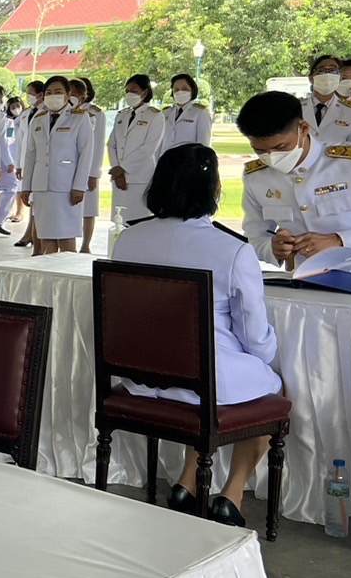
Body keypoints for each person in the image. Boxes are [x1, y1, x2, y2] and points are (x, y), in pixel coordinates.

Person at [111, 145, 283, 527]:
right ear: (214, 190)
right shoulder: (232, 250)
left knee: (210, 391)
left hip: (143, 375)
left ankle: (187, 482)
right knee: (269, 391)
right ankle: (231, 494)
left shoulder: (130, 240)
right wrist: (266, 357)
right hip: (205, 377)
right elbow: (256, 337)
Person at [238, 90, 351, 285]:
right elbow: (255, 236)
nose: (271, 156)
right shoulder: (257, 177)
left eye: (281, 147)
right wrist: (273, 248)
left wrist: (339, 240)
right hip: (312, 283)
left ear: (303, 129)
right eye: (259, 150)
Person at [20, 76, 94, 256]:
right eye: (49, 93)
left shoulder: (79, 118)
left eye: (58, 92)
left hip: (66, 187)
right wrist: (26, 187)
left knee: (67, 239)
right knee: (46, 238)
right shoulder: (38, 119)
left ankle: (67, 280)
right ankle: (49, 281)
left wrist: (79, 186)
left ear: (68, 95)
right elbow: (30, 155)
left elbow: (86, 154)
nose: (53, 96)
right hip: (42, 187)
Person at [106, 73, 165, 231]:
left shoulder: (155, 116)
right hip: (119, 178)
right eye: (127, 91)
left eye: (133, 90)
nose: (129, 94)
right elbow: (112, 144)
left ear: (144, 92)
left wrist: (124, 168)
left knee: (140, 222)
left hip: (140, 177)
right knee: (120, 222)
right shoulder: (122, 115)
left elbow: (148, 148)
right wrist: (117, 170)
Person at [69, 77, 107, 254]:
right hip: (68, 167)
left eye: (74, 93)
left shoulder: (95, 113)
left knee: (89, 208)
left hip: (88, 167)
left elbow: (98, 145)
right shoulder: (65, 112)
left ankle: (86, 244)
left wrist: (94, 173)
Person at [300, 55, 351, 146]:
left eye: (333, 71)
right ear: (311, 78)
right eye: (321, 70)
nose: (327, 75)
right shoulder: (295, 107)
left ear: (339, 78)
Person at [12, 80, 45, 249]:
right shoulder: (26, 113)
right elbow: (20, 141)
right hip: (26, 160)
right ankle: (30, 233)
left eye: (31, 93)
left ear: (41, 94)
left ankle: (33, 234)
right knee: (31, 200)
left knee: (36, 201)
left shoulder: (47, 112)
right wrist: (19, 164)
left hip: (40, 162)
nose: (29, 96)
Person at [0, 94, 24, 234]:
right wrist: (9, 162)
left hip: (5, 159)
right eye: (12, 107)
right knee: (8, 188)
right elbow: (4, 142)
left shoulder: (6, 119)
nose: (15, 109)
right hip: (2, 160)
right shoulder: (3, 119)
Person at [158, 73, 214, 151]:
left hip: (189, 160)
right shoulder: (165, 113)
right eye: (176, 90)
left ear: (192, 90)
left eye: (185, 89)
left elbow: (204, 143)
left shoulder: (201, 112)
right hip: (165, 160)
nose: (180, 92)